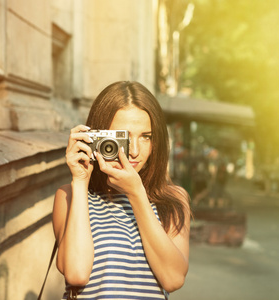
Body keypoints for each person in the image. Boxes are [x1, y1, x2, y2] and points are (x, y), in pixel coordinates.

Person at [53, 81, 191, 299]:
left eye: (146, 137)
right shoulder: (70, 196)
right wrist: (80, 181)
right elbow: (76, 274)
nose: (135, 151)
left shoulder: (173, 198)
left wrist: (137, 195)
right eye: (124, 138)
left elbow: (173, 279)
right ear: (99, 137)